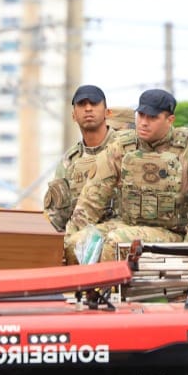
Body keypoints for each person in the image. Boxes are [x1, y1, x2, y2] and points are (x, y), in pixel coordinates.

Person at [68, 88, 188, 261]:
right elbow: (93, 195)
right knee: (75, 243)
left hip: (171, 233)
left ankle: (106, 288)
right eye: (141, 115)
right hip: (126, 225)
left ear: (170, 120)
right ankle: (83, 287)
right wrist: (73, 232)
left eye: (152, 117)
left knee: (115, 242)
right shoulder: (122, 146)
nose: (143, 122)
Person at [44, 84, 120, 260]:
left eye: (94, 103)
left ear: (107, 112)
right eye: (82, 104)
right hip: (80, 242)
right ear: (73, 115)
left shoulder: (125, 150)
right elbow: (56, 217)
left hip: (119, 235)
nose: (88, 109)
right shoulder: (69, 162)